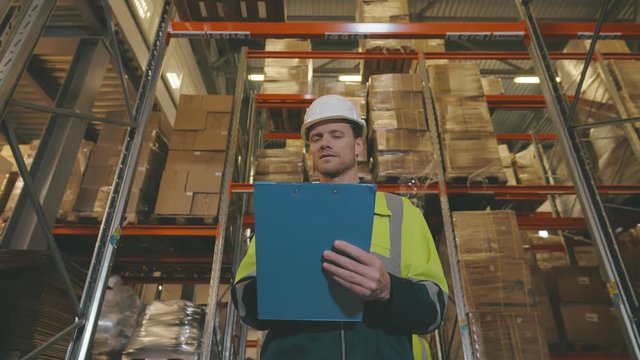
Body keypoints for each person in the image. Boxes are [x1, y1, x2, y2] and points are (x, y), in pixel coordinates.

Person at [232, 95, 448, 359]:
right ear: (310, 150)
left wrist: (388, 289)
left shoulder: (401, 214)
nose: (325, 144)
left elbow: (434, 308)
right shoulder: (283, 213)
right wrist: (283, 281)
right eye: (316, 138)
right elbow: (244, 299)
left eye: (336, 135)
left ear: (358, 146)